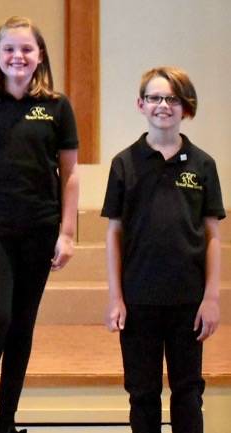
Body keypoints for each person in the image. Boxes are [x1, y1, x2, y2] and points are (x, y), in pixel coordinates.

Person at [0, 16, 79, 433]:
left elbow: (71, 174)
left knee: (22, 324)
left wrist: (67, 232)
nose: (17, 56)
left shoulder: (58, 107)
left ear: (39, 55)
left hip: (41, 228)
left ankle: (6, 419)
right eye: (9, 49)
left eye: (26, 49)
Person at [102, 66, 224, 433]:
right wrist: (115, 297)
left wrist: (212, 298)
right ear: (141, 104)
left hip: (188, 301)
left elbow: (213, 235)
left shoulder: (203, 165)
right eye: (155, 97)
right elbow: (114, 233)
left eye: (172, 98)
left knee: (188, 393)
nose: (163, 106)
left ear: (185, 107)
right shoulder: (124, 164)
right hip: (139, 301)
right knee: (142, 394)